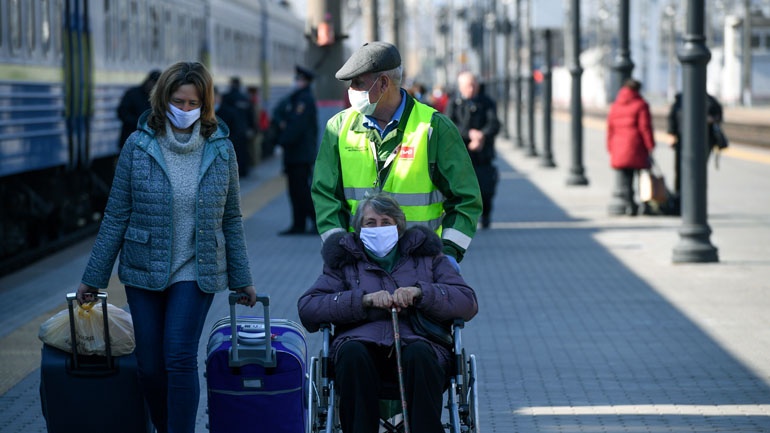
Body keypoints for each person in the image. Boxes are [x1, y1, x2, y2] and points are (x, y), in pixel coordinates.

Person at [76, 61, 257, 433]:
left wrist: (242, 278)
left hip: (196, 267)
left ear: (205, 105)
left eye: (193, 103)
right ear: (163, 100)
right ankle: (163, 426)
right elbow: (115, 216)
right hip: (144, 268)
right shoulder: (138, 145)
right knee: (149, 367)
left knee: (178, 356)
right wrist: (93, 279)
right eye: (178, 101)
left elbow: (231, 219)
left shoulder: (221, 149)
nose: (185, 110)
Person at [297, 193, 478, 433]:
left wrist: (421, 293)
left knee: (420, 354)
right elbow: (309, 307)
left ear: (399, 225)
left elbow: (467, 301)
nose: (378, 228)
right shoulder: (344, 260)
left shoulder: (428, 257)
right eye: (370, 223)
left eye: (386, 222)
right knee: (352, 353)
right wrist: (362, 300)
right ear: (359, 228)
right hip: (361, 348)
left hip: (418, 345)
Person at [311, 41, 482, 269]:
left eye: (359, 83)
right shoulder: (339, 128)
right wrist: (340, 250)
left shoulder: (434, 128)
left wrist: (449, 253)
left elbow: (465, 199)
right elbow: (325, 195)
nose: (351, 91)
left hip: (421, 265)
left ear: (383, 83)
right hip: (358, 265)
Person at [446, 72, 501, 228]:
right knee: (463, 192)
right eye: (466, 86)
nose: (470, 89)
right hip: (462, 156)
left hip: (483, 155)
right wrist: (469, 134)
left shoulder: (487, 102)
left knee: (486, 189)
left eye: (473, 85)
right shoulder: (453, 103)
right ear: (460, 87)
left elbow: (494, 124)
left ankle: (486, 216)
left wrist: (481, 136)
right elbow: (450, 125)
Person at [275, 66, 319, 235]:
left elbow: (296, 127)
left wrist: (282, 141)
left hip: (300, 153)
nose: (296, 82)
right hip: (295, 153)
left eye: (299, 79)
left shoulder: (304, 100)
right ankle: (298, 224)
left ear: (305, 81)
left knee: (301, 190)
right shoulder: (297, 98)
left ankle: (316, 222)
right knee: (294, 190)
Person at [606, 78, 655, 216]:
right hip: (636, 147)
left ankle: (630, 205)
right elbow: (645, 128)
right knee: (642, 176)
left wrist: (610, 147)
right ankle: (645, 205)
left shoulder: (615, 105)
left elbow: (610, 128)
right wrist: (650, 145)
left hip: (619, 147)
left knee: (626, 179)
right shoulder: (641, 104)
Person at [667, 91, 724, 196]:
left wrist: (712, 119)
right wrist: (671, 134)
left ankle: (696, 196)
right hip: (682, 139)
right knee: (680, 170)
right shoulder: (680, 99)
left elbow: (719, 116)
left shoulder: (710, 101)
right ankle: (679, 197)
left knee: (698, 171)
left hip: (704, 141)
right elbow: (672, 117)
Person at [117, 69, 160, 147]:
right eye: (153, 83)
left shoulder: (158, 98)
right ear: (148, 81)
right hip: (129, 136)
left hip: (147, 141)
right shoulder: (132, 94)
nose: (154, 86)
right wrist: (139, 123)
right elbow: (122, 113)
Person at [223, 76, 255, 177]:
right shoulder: (245, 98)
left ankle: (232, 172)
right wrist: (252, 127)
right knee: (242, 151)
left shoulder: (226, 98)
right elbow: (250, 115)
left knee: (230, 151)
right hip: (243, 130)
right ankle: (243, 171)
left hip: (230, 129)